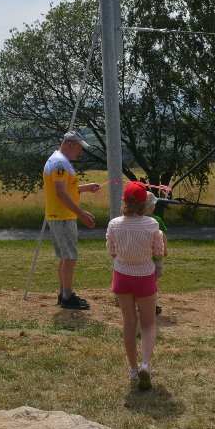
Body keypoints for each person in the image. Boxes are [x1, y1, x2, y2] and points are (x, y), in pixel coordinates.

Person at [106, 181, 165, 390]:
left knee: (129, 323)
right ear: (144, 203)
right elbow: (158, 252)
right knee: (148, 324)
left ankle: (132, 369)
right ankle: (145, 364)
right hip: (144, 276)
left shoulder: (114, 224)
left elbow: (112, 251)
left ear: (124, 201)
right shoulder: (152, 224)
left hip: (121, 276)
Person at [43, 130, 102, 310]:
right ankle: (67, 297)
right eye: (79, 147)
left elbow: (65, 188)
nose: (81, 152)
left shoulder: (58, 159)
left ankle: (64, 294)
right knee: (70, 257)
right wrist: (81, 213)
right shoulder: (60, 163)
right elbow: (60, 193)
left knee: (65, 257)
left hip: (60, 216)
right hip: (63, 216)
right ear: (69, 144)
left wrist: (85, 188)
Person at [145, 191, 167, 316]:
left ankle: (147, 304)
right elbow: (163, 236)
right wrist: (165, 250)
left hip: (143, 257)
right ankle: (151, 305)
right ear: (152, 206)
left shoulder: (134, 219)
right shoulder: (156, 220)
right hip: (155, 258)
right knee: (152, 283)